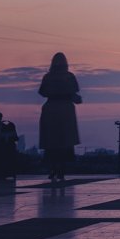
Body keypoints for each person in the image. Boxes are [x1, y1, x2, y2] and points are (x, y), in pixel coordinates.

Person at [38, 52, 82, 182]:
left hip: (50, 108)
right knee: (64, 142)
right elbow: (75, 91)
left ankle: (53, 169)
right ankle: (61, 170)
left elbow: (42, 92)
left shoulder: (48, 77)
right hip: (66, 110)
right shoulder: (69, 77)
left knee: (51, 142)